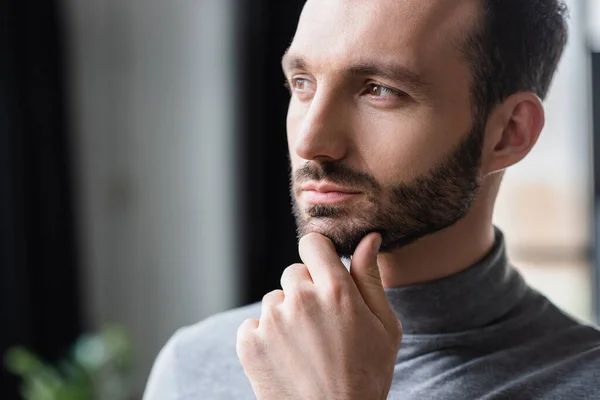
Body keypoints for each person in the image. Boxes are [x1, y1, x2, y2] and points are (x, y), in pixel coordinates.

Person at [143, 0, 600, 398]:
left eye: (379, 89)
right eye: (302, 82)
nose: (310, 141)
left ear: (508, 134)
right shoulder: (193, 367)